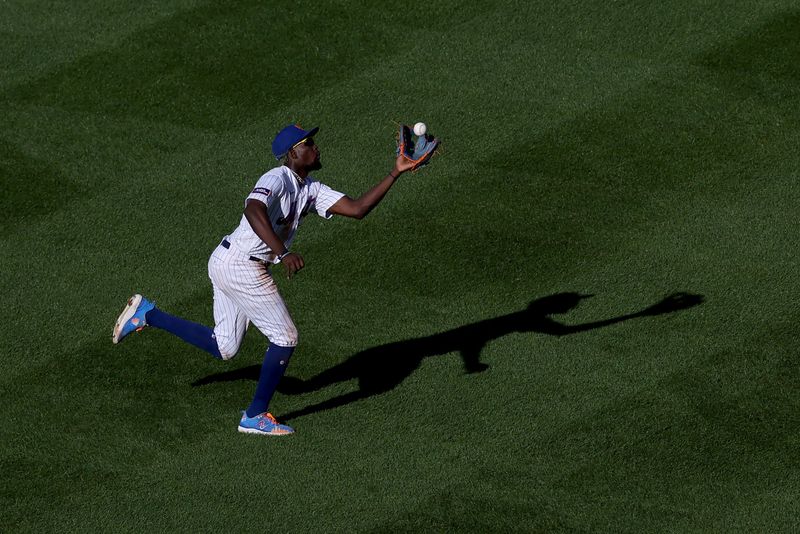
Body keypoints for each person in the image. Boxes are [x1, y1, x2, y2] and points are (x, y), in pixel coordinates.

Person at [112, 124, 423, 436]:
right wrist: (283, 252)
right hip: (240, 265)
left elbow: (357, 209)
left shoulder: (310, 189)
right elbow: (253, 209)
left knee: (225, 347)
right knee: (286, 337)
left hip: (233, 261)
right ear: (293, 153)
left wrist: (395, 172)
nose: (316, 148)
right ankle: (254, 415)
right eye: (309, 144)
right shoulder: (276, 178)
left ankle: (147, 313)